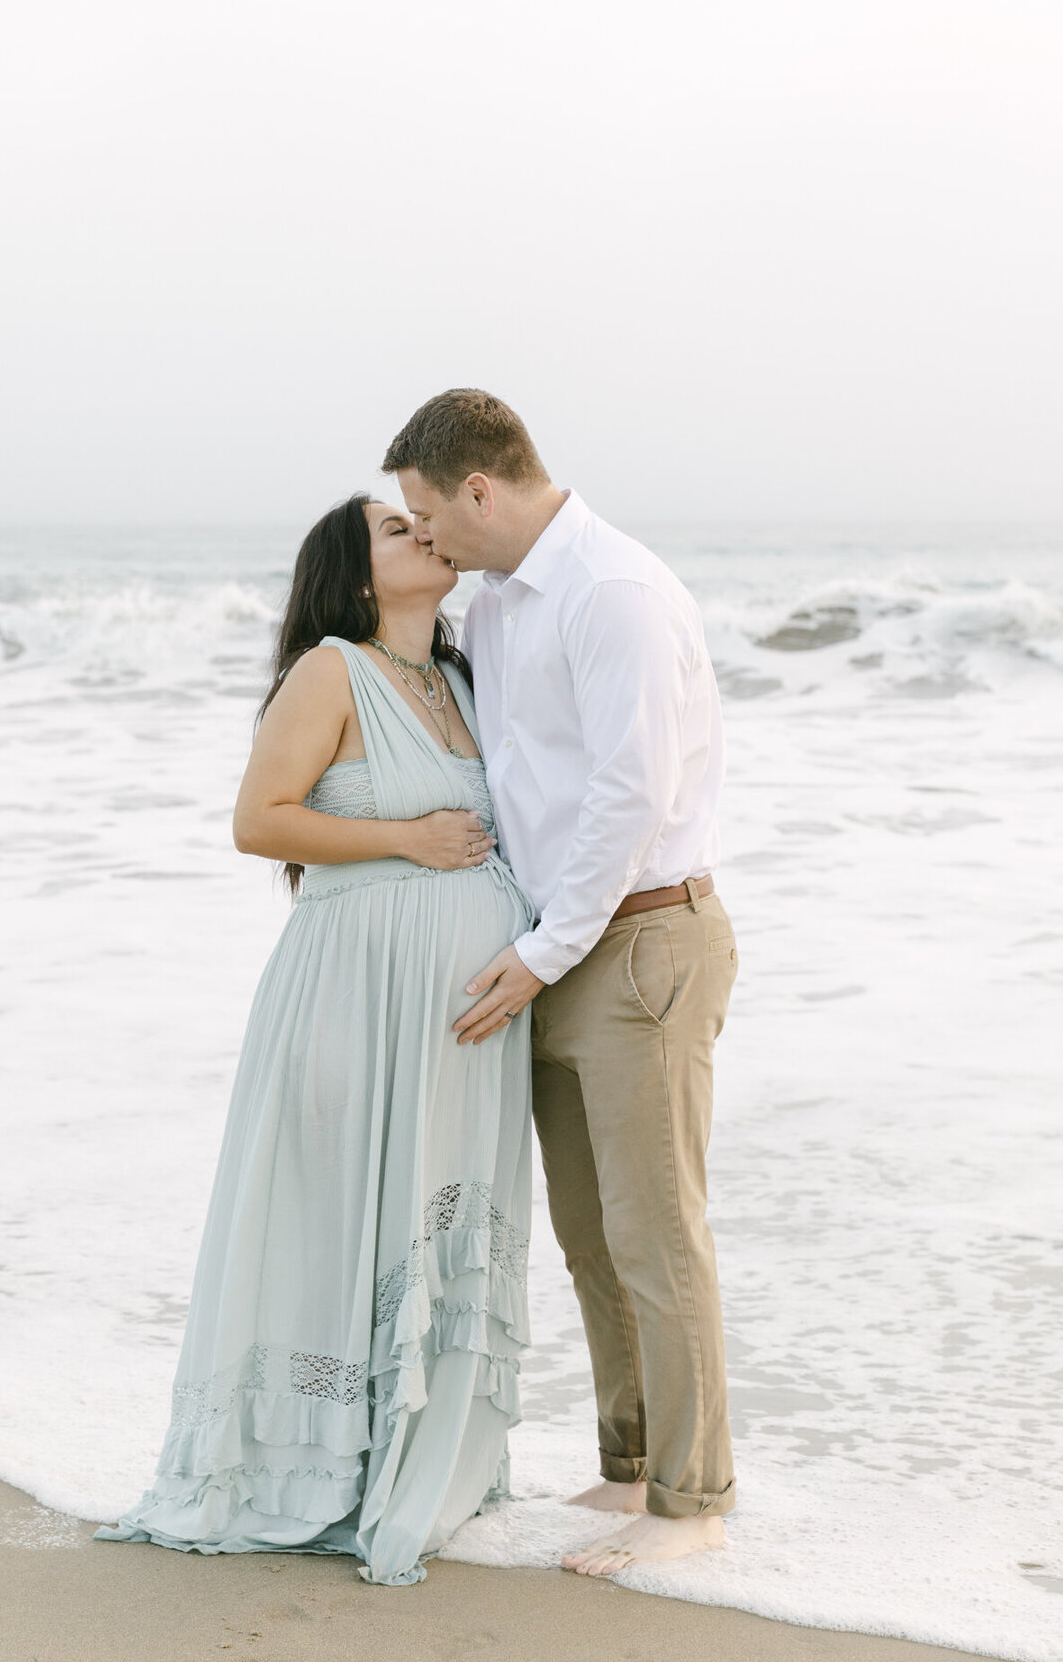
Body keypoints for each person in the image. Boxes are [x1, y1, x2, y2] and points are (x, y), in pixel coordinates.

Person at [95, 493, 535, 1586]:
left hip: (457, 1024)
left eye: (421, 521)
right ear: (352, 576)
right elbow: (260, 821)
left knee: (432, 1216)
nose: (424, 533)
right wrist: (407, 840)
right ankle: (304, 1472)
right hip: (349, 997)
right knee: (335, 1218)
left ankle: (423, 1458)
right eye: (395, 530)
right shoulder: (331, 670)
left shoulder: (466, 681)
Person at [386, 389, 738, 1578]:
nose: (424, 538)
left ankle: (693, 1512)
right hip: (560, 945)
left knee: (658, 1234)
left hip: (640, 943)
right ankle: (632, 1471)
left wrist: (541, 953)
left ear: (479, 491)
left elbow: (626, 799)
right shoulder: (495, 606)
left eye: (428, 515)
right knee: (591, 1237)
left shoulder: (613, 594)